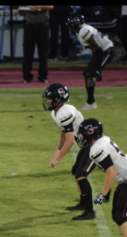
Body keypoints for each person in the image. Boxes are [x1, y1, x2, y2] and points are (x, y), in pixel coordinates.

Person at [76, 119, 127, 237]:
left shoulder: (97, 148)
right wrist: (107, 192)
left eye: (83, 134)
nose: (81, 137)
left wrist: (103, 194)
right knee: (116, 215)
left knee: (121, 216)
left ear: (91, 134)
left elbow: (111, 173)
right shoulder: (102, 140)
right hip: (126, 180)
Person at [43, 83, 96, 220]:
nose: (47, 101)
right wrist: (55, 154)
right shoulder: (57, 112)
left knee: (80, 174)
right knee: (76, 171)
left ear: (59, 99)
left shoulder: (64, 112)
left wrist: (58, 158)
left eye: (50, 99)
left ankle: (90, 212)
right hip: (87, 145)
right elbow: (62, 135)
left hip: (95, 145)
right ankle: (84, 204)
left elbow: (70, 141)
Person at [66, 13, 115, 111]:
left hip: (106, 52)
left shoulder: (84, 31)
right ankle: (91, 102)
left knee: (90, 74)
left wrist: (99, 69)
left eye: (70, 25)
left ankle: (90, 103)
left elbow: (99, 49)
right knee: (88, 74)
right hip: (100, 52)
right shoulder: (82, 30)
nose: (69, 28)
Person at [20, 5, 53, 84]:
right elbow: (20, 11)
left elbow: (51, 7)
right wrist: (22, 11)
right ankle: (27, 76)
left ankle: (43, 76)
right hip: (29, 26)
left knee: (43, 53)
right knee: (28, 52)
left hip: (42, 26)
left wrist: (37, 7)